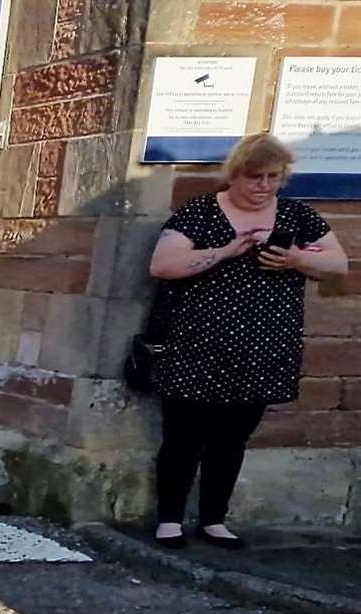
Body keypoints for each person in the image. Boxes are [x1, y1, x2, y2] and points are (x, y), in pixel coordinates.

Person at [147, 133, 348, 550]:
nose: (265, 186)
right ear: (235, 175)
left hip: (264, 348)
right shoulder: (201, 212)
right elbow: (163, 264)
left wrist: (296, 259)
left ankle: (214, 519)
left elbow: (337, 264)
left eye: (274, 177)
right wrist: (225, 251)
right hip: (197, 345)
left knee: (232, 438)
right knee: (183, 437)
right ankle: (169, 519)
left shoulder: (297, 216)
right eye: (255, 177)